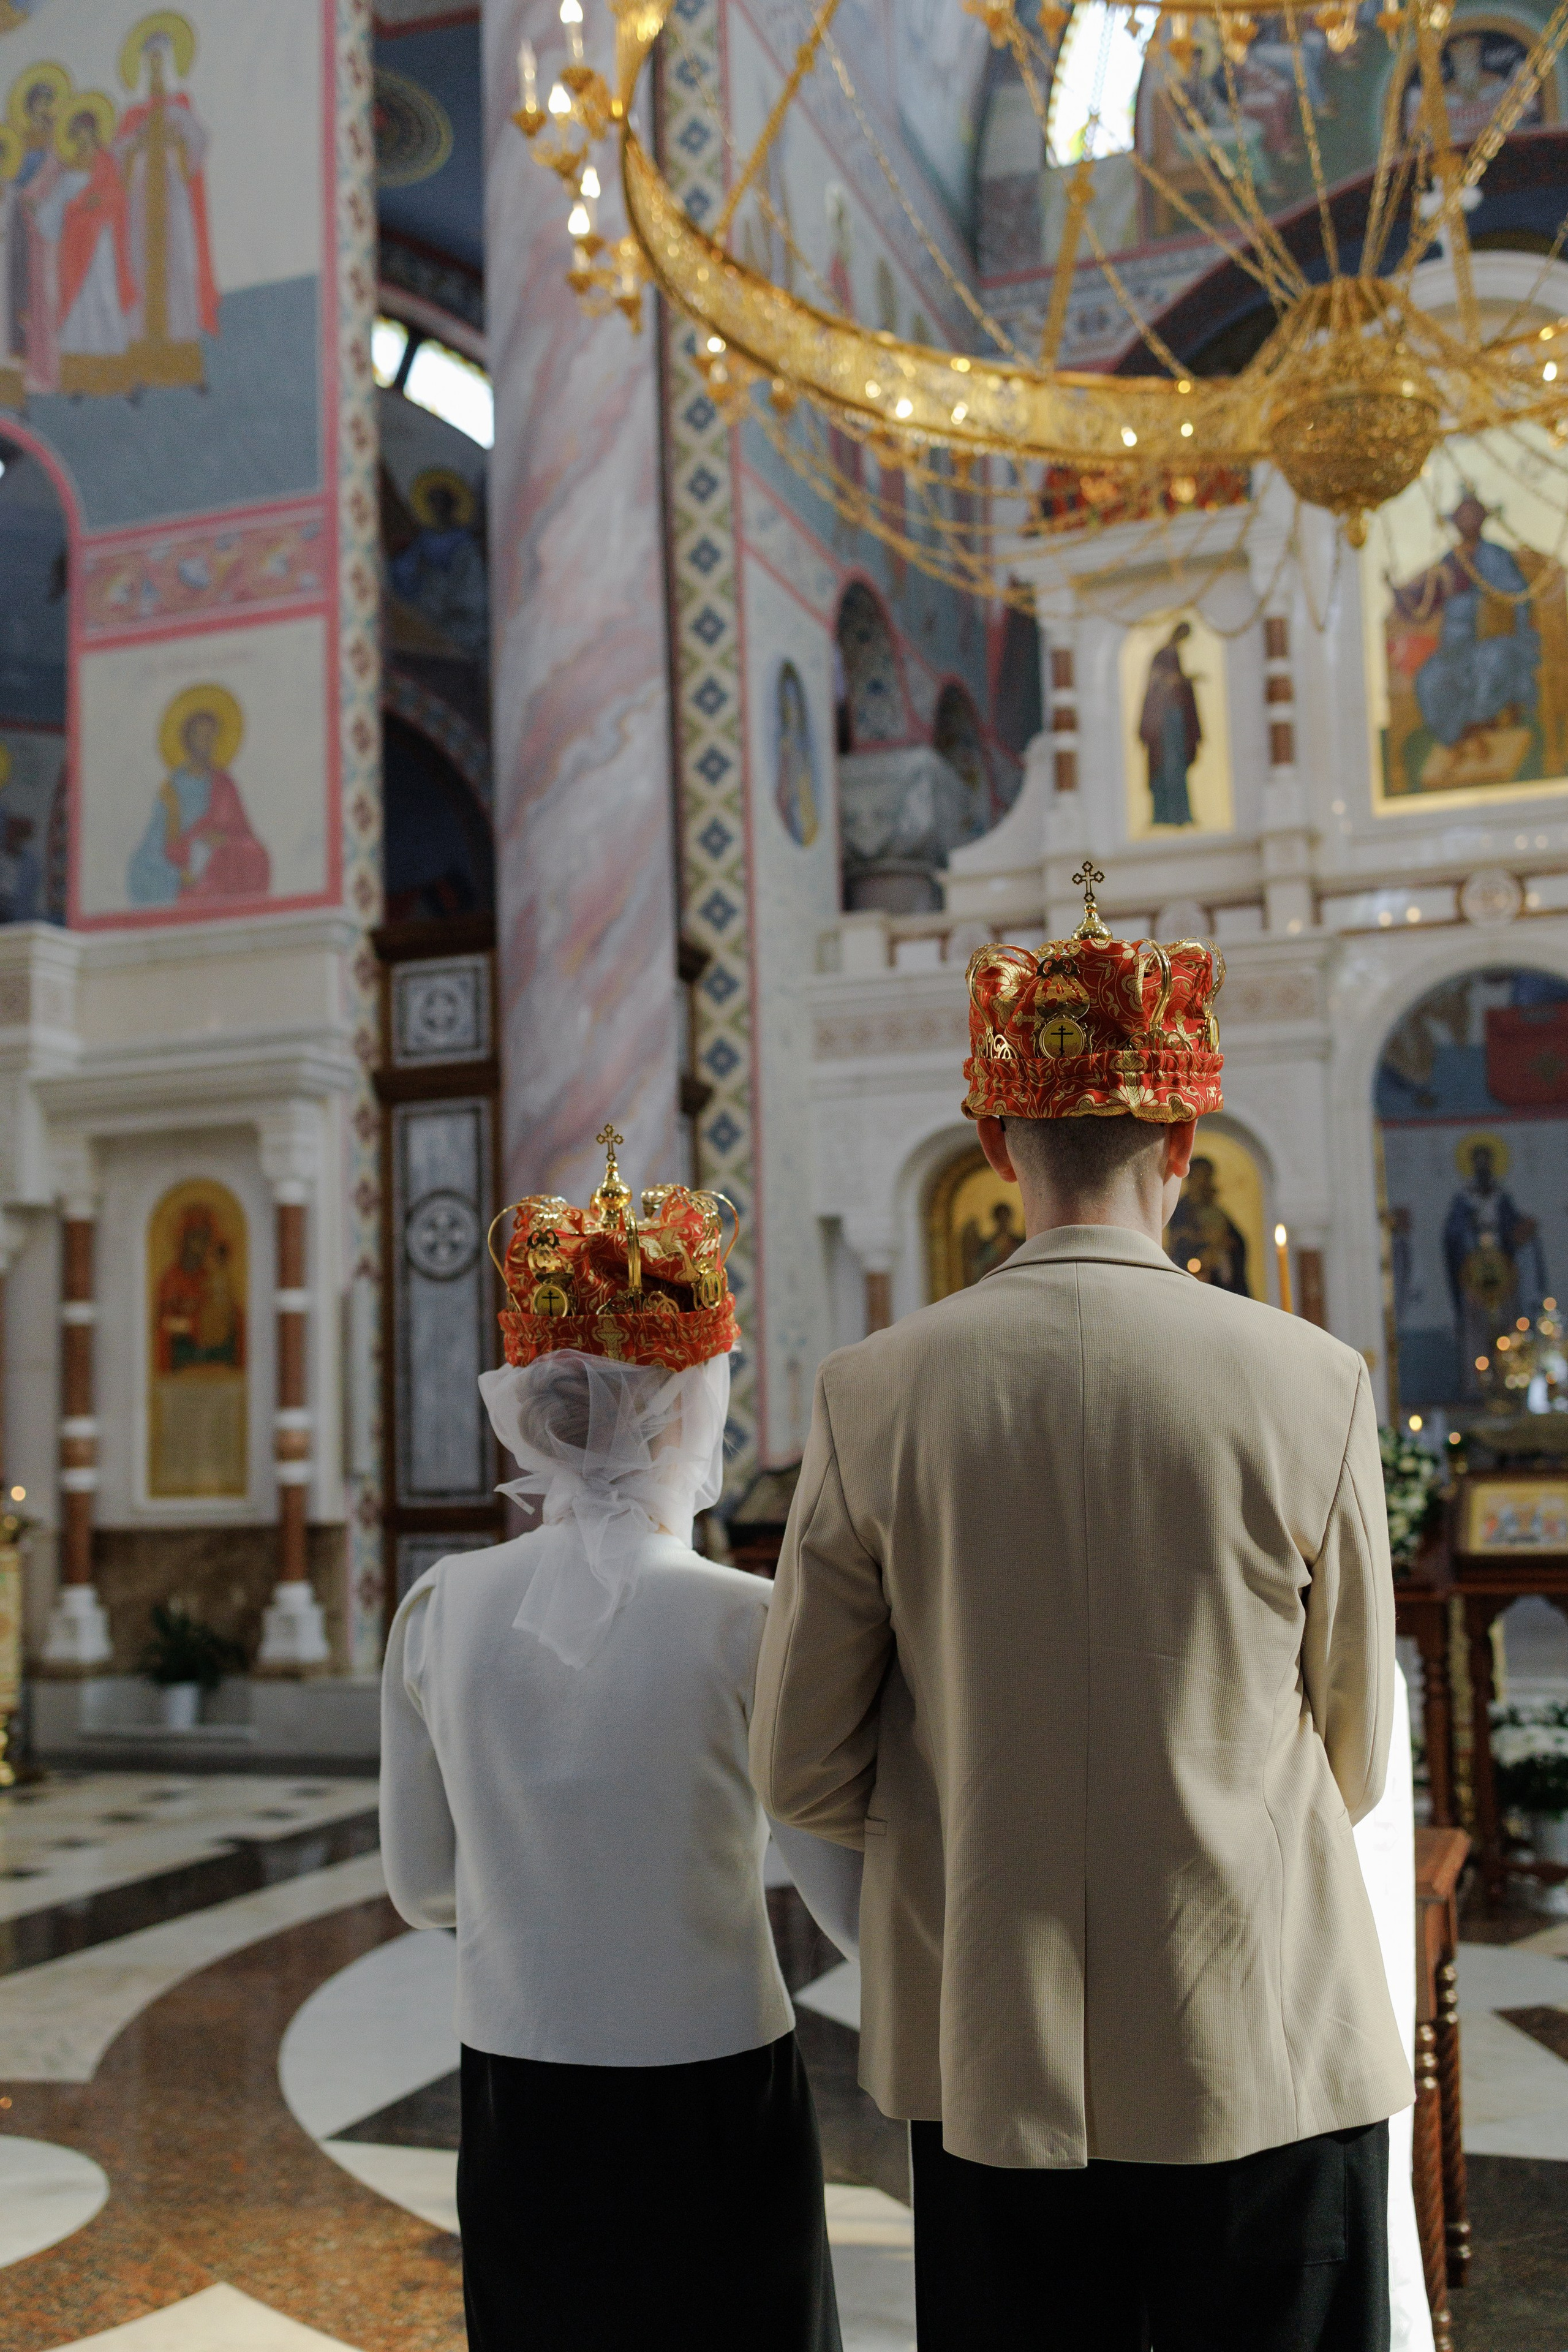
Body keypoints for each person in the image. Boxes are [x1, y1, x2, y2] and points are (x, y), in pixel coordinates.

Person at [753, 871, 1413, 2351]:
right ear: (1183, 1143)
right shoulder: (1311, 1383)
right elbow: (1354, 1749)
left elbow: (796, 1762)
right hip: (1263, 2047)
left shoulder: (874, 1393)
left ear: (994, 1145)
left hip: (997, 2072)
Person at [380, 1131, 847, 2352]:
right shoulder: (748, 1621)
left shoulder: (441, 1611)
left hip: (518, 2070)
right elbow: (835, 1882)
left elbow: (421, 1883)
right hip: (713, 2073)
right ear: (697, 1399)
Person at [1138, 617, 1202, 824]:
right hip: (1164, 722)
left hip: (1176, 719)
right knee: (1167, 768)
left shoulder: (1175, 654)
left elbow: (1174, 681)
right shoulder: (1163, 655)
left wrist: (1185, 681)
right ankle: (1165, 816)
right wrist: (1183, 680)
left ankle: (1181, 815)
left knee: (1178, 768)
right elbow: (1159, 682)